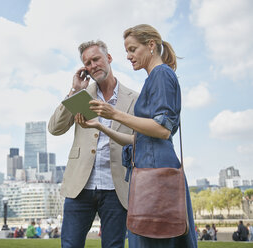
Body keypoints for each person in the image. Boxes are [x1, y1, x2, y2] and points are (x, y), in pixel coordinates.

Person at [75, 24, 197, 247]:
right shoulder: (153, 78)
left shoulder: (160, 74)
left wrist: (116, 114)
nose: (129, 57)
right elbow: (138, 138)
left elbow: (162, 130)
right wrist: (101, 126)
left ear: (151, 45)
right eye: (127, 52)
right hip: (149, 169)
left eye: (132, 49)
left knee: (154, 238)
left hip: (155, 173)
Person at [49, 40, 138, 248]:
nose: (92, 65)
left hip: (117, 188)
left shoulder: (134, 98)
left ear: (108, 58)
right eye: (87, 63)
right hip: (80, 186)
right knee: (70, 245)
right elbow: (55, 128)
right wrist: (74, 90)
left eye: (96, 59)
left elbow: (138, 140)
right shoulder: (82, 95)